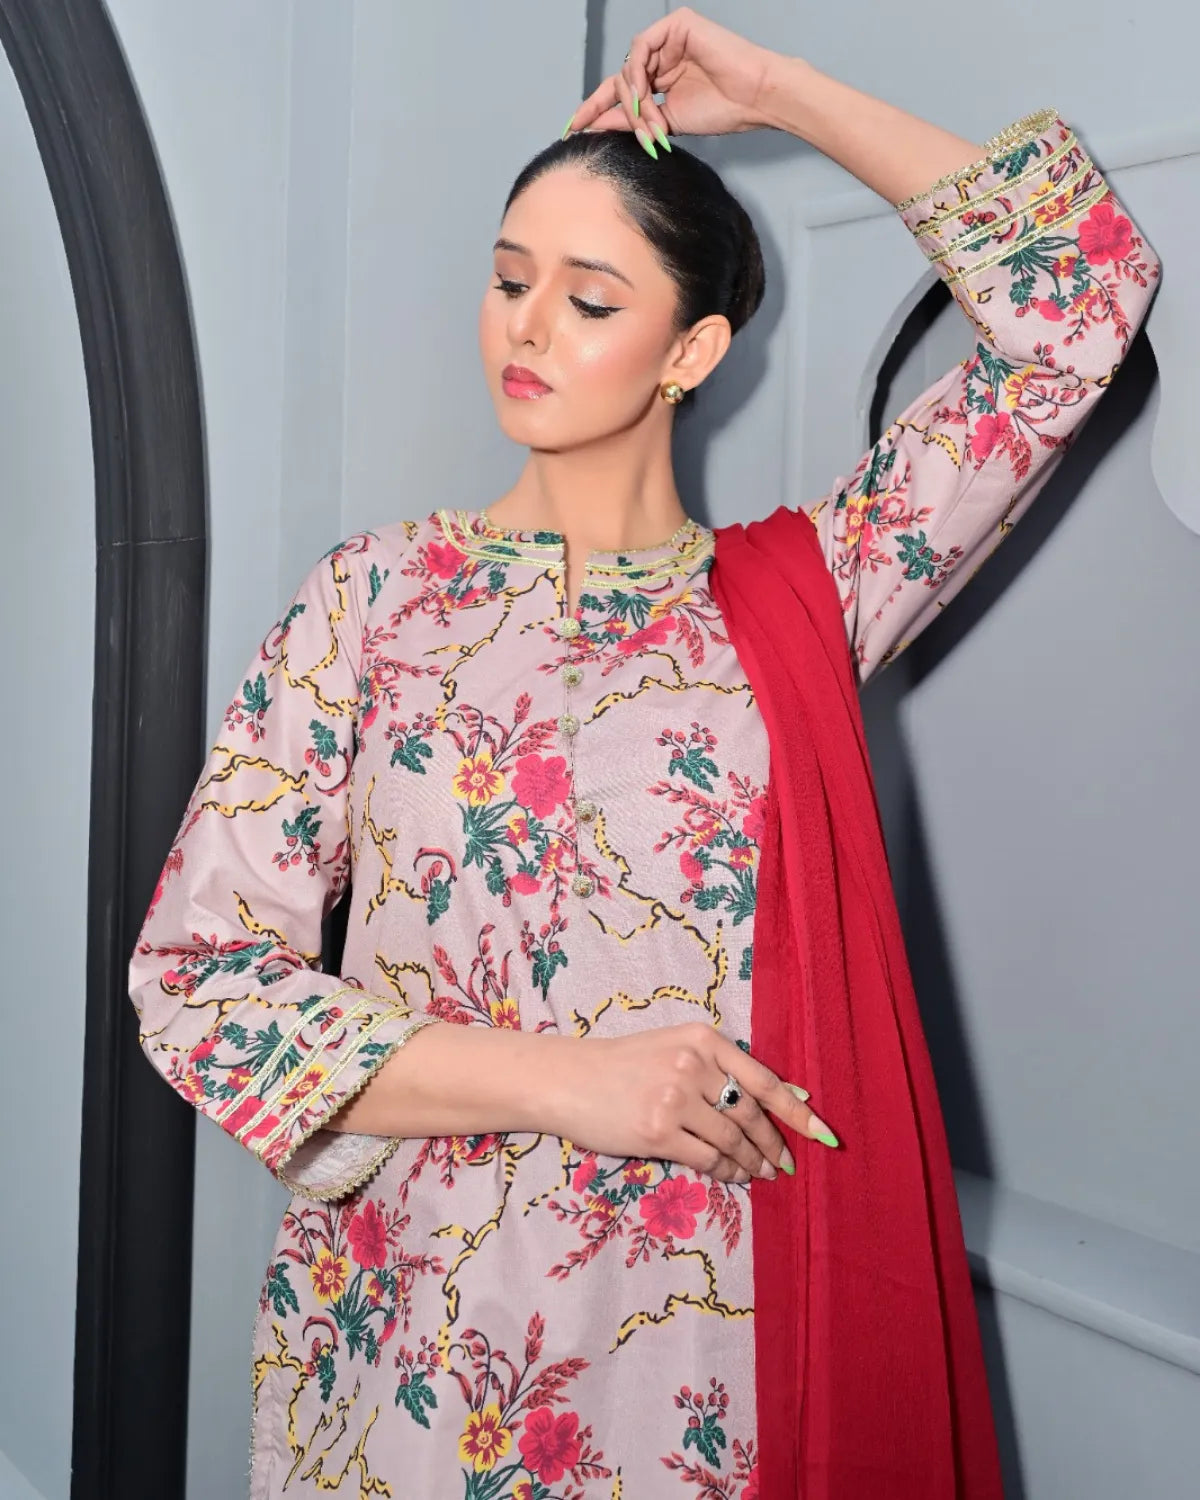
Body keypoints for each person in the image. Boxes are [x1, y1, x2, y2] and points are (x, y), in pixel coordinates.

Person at [129, 9, 1160, 1497]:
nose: (527, 328)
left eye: (590, 297)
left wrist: (784, 94)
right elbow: (199, 985)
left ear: (693, 348)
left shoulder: (804, 596)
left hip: (705, 1338)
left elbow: (1080, 297)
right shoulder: (378, 600)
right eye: (509, 280)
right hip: (416, 1328)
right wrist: (570, 1084)